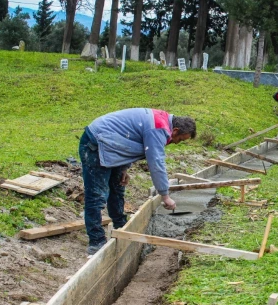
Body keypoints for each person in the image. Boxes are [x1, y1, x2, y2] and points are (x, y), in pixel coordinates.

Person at [79, 108, 196, 255]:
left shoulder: (163, 123)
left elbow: (130, 140)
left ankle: (121, 227)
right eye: (180, 139)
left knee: (118, 186)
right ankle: (96, 242)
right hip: (96, 143)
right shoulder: (158, 129)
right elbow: (156, 162)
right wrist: (165, 196)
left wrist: (123, 168)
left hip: (111, 144)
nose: (177, 143)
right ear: (176, 130)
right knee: (97, 195)